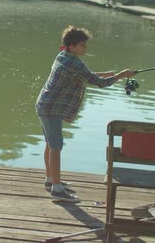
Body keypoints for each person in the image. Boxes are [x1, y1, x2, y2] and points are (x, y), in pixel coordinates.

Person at [35, 25, 136, 202]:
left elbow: (82, 76)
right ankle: (57, 189)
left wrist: (104, 73)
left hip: (45, 104)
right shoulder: (74, 62)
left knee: (50, 144)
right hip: (52, 108)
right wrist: (121, 75)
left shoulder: (63, 56)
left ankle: (51, 180)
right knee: (56, 146)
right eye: (82, 45)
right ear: (72, 46)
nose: (85, 48)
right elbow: (99, 83)